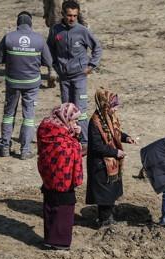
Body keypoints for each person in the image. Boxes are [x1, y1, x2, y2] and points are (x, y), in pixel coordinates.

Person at [0, 11, 52, 159]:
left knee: (8, 114)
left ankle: (5, 147)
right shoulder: (38, 39)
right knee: (29, 116)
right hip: (31, 83)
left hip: (12, 82)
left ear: (18, 23)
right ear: (31, 23)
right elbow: (48, 62)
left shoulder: (8, 37)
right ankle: (25, 150)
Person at [47, 0, 102, 148]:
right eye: (69, 15)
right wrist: (54, 66)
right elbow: (49, 49)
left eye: (75, 16)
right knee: (66, 110)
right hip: (64, 77)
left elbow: (97, 48)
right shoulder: (55, 30)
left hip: (79, 77)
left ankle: (84, 143)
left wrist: (91, 66)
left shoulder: (82, 30)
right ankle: (70, 140)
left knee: (81, 110)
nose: (72, 19)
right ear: (63, 14)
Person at [86, 89, 137, 227]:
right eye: (113, 106)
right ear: (105, 106)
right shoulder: (95, 122)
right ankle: (104, 220)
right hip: (100, 164)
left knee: (110, 192)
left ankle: (107, 215)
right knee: (104, 194)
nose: (116, 109)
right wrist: (115, 153)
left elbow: (116, 133)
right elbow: (97, 146)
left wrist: (126, 138)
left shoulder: (108, 117)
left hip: (110, 163)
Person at [37, 103, 83, 250]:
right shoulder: (57, 134)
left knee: (50, 205)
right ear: (65, 118)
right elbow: (69, 151)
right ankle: (59, 242)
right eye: (74, 120)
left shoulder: (48, 127)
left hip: (48, 176)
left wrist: (74, 134)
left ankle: (50, 239)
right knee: (63, 210)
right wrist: (76, 139)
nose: (75, 123)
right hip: (62, 178)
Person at [42, 0, 88, 88]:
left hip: (56, 12)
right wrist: (84, 21)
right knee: (75, 43)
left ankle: (52, 70)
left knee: (53, 44)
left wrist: (47, 14)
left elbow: (46, 2)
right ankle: (75, 70)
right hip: (73, 16)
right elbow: (81, 3)